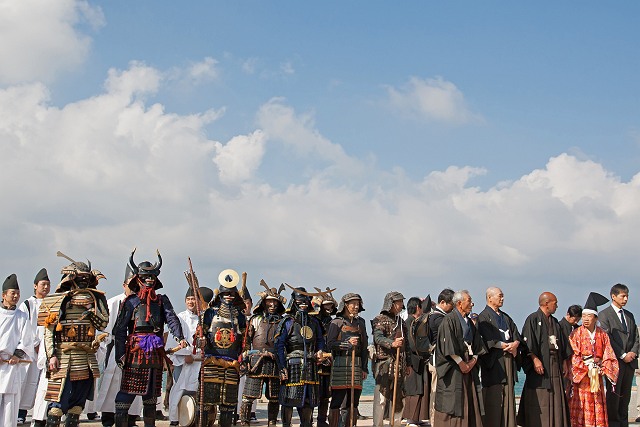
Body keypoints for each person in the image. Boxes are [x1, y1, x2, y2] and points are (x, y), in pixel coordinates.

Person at [113, 250, 187, 427]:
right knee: (125, 395)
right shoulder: (130, 301)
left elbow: (171, 319)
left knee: (151, 397)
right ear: (138, 278)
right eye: (146, 276)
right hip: (134, 350)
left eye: (152, 276)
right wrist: (120, 354)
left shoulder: (162, 300)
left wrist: (180, 337)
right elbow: (120, 329)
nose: (149, 280)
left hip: (154, 350)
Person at [39, 253, 110, 427]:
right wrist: (51, 356)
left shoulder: (96, 298)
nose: (84, 281)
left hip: (86, 357)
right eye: (80, 277)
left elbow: (103, 323)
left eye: (87, 277)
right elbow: (48, 332)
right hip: (64, 356)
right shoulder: (57, 300)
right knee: (57, 403)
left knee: (77, 405)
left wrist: (90, 309)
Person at [198, 269, 247, 427]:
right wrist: (201, 341)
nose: (229, 297)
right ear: (220, 295)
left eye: (231, 294)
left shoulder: (240, 316)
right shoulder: (210, 314)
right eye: (226, 293)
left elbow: (245, 339)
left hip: (232, 363)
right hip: (212, 361)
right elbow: (201, 335)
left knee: (228, 405)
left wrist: (244, 355)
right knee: (206, 403)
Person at [93, 267, 141, 427]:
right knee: (112, 380)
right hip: (115, 346)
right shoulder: (114, 302)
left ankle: (132, 417)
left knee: (135, 381)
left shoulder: (142, 303)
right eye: (130, 284)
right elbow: (105, 330)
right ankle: (108, 416)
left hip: (136, 349)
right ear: (124, 284)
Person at [432, 290, 487, 427]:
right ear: (459, 303)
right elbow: (448, 345)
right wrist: (461, 363)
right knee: (452, 400)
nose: (471, 304)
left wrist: (473, 361)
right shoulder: (449, 320)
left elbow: (477, 344)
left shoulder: (469, 322)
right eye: (469, 301)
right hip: (453, 367)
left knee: (469, 397)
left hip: (469, 364)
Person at [517, 292, 571, 427]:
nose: (557, 306)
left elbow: (563, 345)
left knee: (557, 395)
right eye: (555, 303)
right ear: (546, 303)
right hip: (540, 364)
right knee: (541, 396)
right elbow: (527, 344)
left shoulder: (555, 322)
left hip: (555, 362)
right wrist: (534, 359)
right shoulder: (533, 319)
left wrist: (564, 362)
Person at [275, 286, 327, 427]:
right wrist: (282, 367)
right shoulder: (288, 322)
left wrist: (320, 350)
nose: (303, 304)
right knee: (288, 398)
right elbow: (279, 346)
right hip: (292, 363)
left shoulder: (314, 322)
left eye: (306, 301)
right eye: (300, 301)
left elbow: (321, 340)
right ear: (294, 302)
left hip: (310, 364)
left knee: (309, 400)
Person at [239, 281, 287, 427]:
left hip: (275, 360)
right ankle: (245, 421)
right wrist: (245, 358)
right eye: (269, 302)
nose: (272, 305)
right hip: (256, 360)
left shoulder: (282, 322)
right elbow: (246, 340)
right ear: (264, 303)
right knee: (249, 395)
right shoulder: (255, 320)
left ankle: (272, 421)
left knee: (274, 396)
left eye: (275, 302)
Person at [568, 292, 618, 427]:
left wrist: (603, 368)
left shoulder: (603, 334)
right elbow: (573, 355)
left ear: (595, 318)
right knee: (581, 406)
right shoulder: (576, 334)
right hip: (583, 376)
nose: (585, 319)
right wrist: (586, 367)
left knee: (598, 404)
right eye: (583, 316)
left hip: (597, 376)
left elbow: (609, 354)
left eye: (589, 316)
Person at [167, 286, 213, 426]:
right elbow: (173, 340)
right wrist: (185, 354)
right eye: (188, 299)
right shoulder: (180, 318)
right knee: (179, 389)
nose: (191, 302)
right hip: (184, 360)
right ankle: (175, 418)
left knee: (199, 392)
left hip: (201, 360)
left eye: (194, 299)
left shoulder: (206, 318)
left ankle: (196, 419)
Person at [477, 287, 521, 427]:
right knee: (494, 397)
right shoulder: (483, 317)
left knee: (508, 395)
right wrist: (505, 346)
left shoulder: (505, 317)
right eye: (499, 296)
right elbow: (487, 339)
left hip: (508, 359)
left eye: (502, 296)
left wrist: (515, 343)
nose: (502, 298)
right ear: (490, 298)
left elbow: (516, 334)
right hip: (494, 362)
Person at [598, 283, 640, 427]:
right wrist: (622, 355)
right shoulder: (604, 315)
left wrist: (633, 352)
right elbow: (607, 338)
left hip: (630, 362)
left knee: (625, 395)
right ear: (613, 296)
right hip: (615, 362)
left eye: (627, 296)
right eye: (623, 296)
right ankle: (613, 423)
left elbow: (635, 336)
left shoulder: (629, 315)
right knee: (613, 395)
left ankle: (623, 422)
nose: (626, 299)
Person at [326, 293, 368, 427]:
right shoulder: (336, 322)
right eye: (353, 304)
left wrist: (364, 368)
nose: (356, 306)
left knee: (353, 401)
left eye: (358, 303)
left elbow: (364, 346)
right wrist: (346, 343)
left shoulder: (361, 323)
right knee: (338, 401)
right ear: (345, 305)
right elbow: (330, 344)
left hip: (356, 365)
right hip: (340, 365)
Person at [371, 291, 411, 427]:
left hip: (400, 364)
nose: (401, 305)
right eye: (398, 302)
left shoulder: (401, 322)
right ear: (391, 303)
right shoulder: (379, 320)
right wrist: (392, 343)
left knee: (399, 398)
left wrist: (409, 364)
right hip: (384, 364)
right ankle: (378, 424)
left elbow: (408, 345)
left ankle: (396, 424)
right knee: (381, 399)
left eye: (401, 302)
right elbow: (378, 338)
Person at [16, 268, 50, 425]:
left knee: (43, 383)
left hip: (46, 349)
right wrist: (34, 345)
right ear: (35, 286)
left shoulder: (51, 303)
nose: (45, 287)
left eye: (48, 285)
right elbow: (24, 327)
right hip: (30, 350)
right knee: (26, 382)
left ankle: (43, 414)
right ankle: (21, 412)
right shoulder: (27, 305)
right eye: (43, 284)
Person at [0, 274, 34, 427]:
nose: (15, 296)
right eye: (12, 293)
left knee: (10, 402)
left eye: (18, 293)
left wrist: (16, 355)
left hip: (11, 366)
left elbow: (27, 340)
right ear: (4, 295)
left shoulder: (22, 316)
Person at [427, 289, 454, 426]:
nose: (453, 307)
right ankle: (434, 421)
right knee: (436, 392)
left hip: (436, 360)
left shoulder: (434, 315)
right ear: (442, 302)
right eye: (451, 304)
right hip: (438, 361)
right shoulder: (438, 318)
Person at [311, 288, 338, 427]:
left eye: (330, 305)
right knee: (311, 392)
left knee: (326, 394)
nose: (329, 307)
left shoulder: (333, 322)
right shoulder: (312, 321)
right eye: (326, 305)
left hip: (328, 361)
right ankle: (307, 419)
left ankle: (321, 420)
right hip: (313, 359)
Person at [403, 297, 430, 427]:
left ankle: (417, 418)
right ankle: (410, 419)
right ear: (418, 307)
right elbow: (411, 344)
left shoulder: (415, 321)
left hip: (419, 360)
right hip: (412, 360)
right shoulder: (409, 322)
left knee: (420, 388)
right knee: (413, 390)